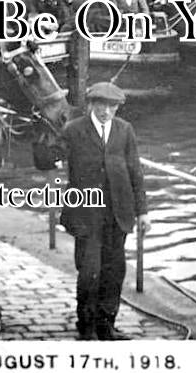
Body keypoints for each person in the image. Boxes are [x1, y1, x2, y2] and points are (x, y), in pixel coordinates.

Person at [57, 81, 149, 340]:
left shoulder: (124, 130)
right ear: (91, 105)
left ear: (117, 108)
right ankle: (86, 325)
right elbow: (46, 159)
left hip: (118, 214)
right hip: (86, 214)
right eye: (101, 105)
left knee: (114, 271)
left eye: (112, 106)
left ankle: (106, 325)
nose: (106, 111)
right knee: (89, 272)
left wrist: (142, 211)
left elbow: (135, 172)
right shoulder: (73, 130)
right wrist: (42, 135)